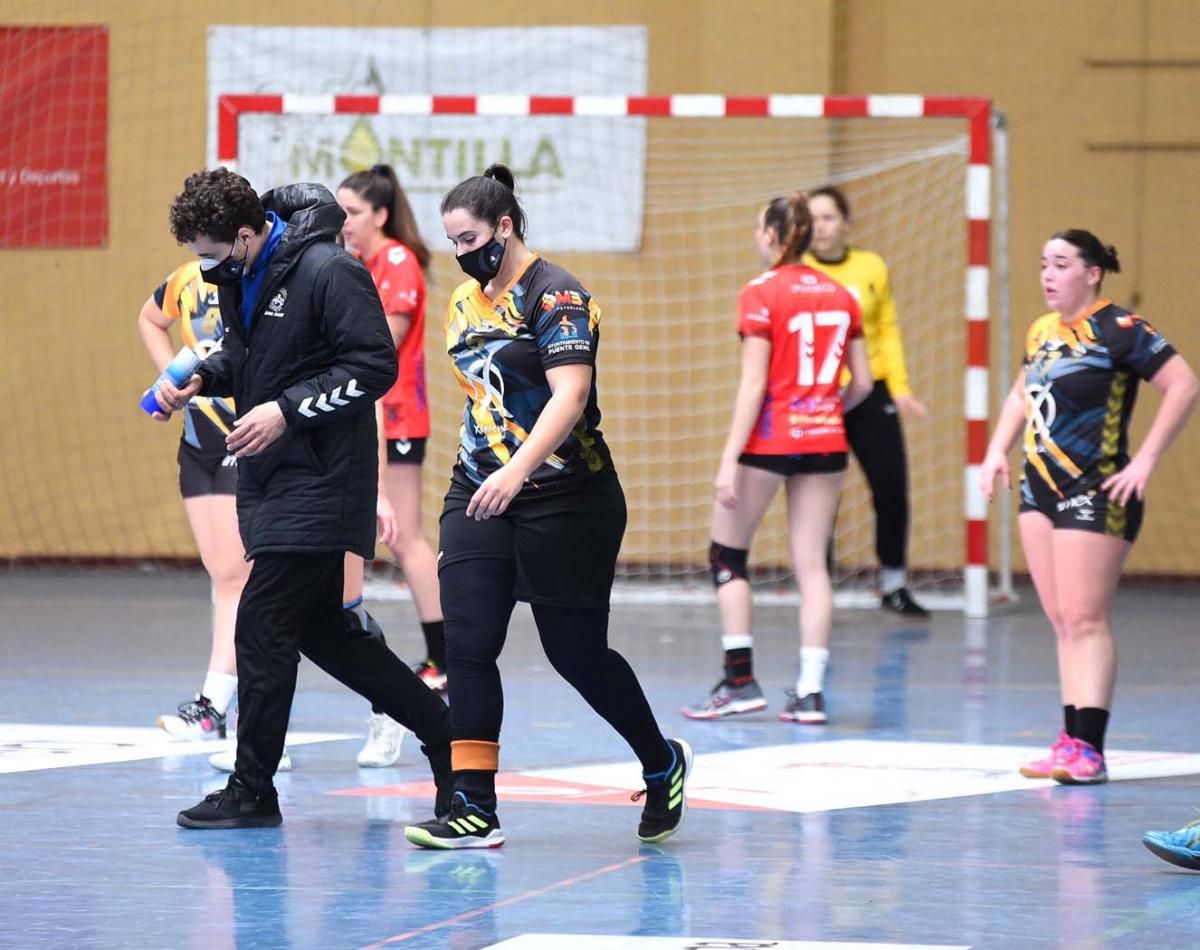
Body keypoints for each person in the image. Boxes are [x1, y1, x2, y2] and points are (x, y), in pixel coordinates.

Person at [402, 164, 691, 849]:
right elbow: (484, 397)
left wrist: (519, 470)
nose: (463, 254)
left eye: (470, 238)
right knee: (468, 645)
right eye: (452, 243)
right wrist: (490, 474)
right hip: (478, 489)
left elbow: (570, 396)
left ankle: (661, 760)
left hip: (568, 499)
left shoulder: (557, 295)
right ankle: (473, 805)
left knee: (577, 656)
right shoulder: (465, 304)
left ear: (505, 226)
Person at [155, 168, 453, 828]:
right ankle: (446, 736)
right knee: (329, 635)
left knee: (261, 626)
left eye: (207, 250)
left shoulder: (328, 271)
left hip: (322, 478)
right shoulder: (237, 276)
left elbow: (375, 365)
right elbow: (249, 357)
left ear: (243, 234)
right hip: (274, 477)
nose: (202, 264)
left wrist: (286, 412)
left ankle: (252, 790)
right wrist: (200, 376)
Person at [979, 229, 1198, 785]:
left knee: (1085, 617)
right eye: (1042, 264)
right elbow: (1022, 390)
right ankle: (1070, 738)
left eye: (1061, 264)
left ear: (1092, 272)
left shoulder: (1120, 329)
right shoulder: (1042, 331)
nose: (1048, 275)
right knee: (1060, 619)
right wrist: (995, 450)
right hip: (1038, 489)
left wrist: (1145, 460)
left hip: (1097, 489)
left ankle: (1091, 749)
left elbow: (1184, 385)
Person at [682, 194, 872, 725]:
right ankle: (810, 692)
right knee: (812, 566)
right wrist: (825, 411)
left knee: (727, 555)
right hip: (826, 439)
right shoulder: (842, 293)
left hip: (770, 439)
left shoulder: (760, 292)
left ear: (770, 235)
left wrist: (728, 459)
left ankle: (740, 680)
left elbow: (754, 383)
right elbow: (864, 383)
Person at [336, 165, 447, 695]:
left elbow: (381, 345)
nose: (345, 221)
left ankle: (443, 657)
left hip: (399, 414)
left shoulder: (398, 262)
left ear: (380, 214)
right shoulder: (356, 262)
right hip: (364, 414)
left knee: (406, 536)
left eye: (353, 211)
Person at [803, 186, 931, 617]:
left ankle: (893, 582)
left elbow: (888, 328)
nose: (820, 226)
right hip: (818, 394)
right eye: (812, 218)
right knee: (819, 493)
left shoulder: (871, 267)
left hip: (870, 390)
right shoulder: (796, 270)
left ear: (845, 223)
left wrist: (900, 388)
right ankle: (817, 584)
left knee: (891, 486)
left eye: (828, 217)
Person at [137, 263, 248, 741]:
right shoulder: (183, 279)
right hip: (196, 439)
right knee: (222, 574)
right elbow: (148, 318)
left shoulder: (252, 276)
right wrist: (170, 378)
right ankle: (222, 704)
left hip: (242, 435)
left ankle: (213, 706)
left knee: (234, 575)